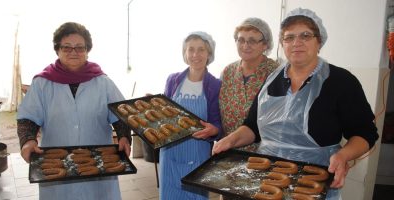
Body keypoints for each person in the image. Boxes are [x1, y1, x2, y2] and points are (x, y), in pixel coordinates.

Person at [212, 8, 379, 199]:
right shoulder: (271, 81)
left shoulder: (341, 81)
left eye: (305, 36)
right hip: (266, 180)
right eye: (289, 37)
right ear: (282, 44)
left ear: (319, 41)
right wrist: (230, 140)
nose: (296, 43)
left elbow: (365, 132)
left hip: (314, 182)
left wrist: (343, 156)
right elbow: (253, 127)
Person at [16, 22, 131, 200]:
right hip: (57, 166)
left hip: (99, 165)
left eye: (79, 47)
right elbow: (28, 119)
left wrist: (124, 136)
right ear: (57, 50)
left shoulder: (103, 82)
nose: (74, 52)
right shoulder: (42, 83)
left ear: (87, 50)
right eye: (67, 47)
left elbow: (121, 115)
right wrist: (27, 140)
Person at [160, 31, 223, 200]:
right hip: (170, 152)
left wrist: (213, 130)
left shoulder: (214, 85)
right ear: (185, 53)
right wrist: (153, 105)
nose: (195, 55)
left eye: (201, 49)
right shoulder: (173, 80)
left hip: (197, 153)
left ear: (209, 53)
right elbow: (165, 115)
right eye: (191, 49)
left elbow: (218, 123)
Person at [219, 17, 278, 135]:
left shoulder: (275, 72)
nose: (245, 46)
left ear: (265, 44)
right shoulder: (228, 71)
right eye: (241, 40)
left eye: (252, 41)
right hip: (227, 147)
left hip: (261, 150)